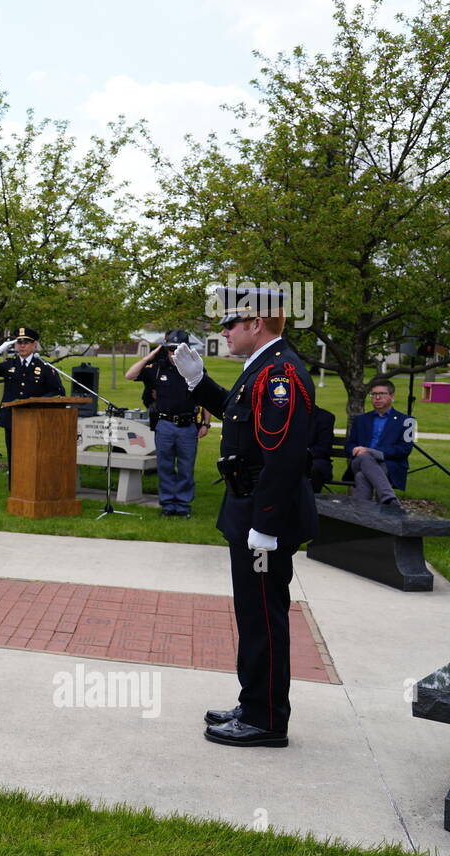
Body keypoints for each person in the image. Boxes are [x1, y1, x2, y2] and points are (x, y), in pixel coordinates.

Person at [169, 285, 316, 748]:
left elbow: (284, 457)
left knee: (263, 618)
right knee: (251, 614)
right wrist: (198, 383)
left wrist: (266, 525)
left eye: (231, 323)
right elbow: (240, 418)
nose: (225, 332)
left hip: (263, 516)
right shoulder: (262, 368)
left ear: (257, 323)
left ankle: (266, 719)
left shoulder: (281, 374)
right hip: (250, 509)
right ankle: (254, 700)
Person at [125, 330, 209, 517]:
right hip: (165, 425)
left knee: (186, 468)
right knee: (165, 467)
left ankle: (183, 506)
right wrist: (152, 353)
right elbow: (129, 375)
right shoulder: (158, 368)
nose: (174, 354)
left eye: (178, 349)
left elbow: (205, 397)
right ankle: (168, 506)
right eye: (171, 349)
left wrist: (206, 424)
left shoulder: (195, 369)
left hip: (188, 426)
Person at [0, 326, 64, 482]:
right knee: (14, 456)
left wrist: (37, 402)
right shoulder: (9, 364)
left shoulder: (44, 368)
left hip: (34, 419)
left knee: (33, 456)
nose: (22, 345)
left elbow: (58, 391)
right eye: (19, 342)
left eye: (26, 342)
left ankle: (33, 486)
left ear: (34, 345)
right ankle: (14, 490)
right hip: (12, 419)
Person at [345, 378, 411, 510]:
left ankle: (363, 515)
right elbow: (349, 444)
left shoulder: (408, 421)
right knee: (364, 457)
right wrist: (355, 450)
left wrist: (373, 452)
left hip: (388, 464)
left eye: (382, 394)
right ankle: (389, 497)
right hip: (359, 461)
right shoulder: (360, 419)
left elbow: (405, 449)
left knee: (362, 476)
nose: (377, 397)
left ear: (392, 396)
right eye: (374, 394)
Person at [308, 402, 336, 492]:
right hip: (292, 459)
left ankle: (311, 502)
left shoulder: (325, 417)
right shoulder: (291, 416)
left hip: (316, 460)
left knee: (315, 468)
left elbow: (323, 448)